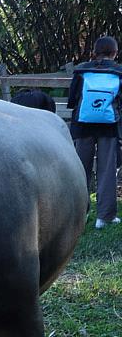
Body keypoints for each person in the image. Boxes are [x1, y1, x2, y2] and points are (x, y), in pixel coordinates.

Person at [67, 35, 122, 229]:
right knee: (107, 171)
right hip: (109, 127)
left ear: (94, 52)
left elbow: (72, 100)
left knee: (79, 170)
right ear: (114, 53)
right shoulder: (118, 72)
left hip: (82, 125)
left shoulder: (82, 70)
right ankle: (104, 217)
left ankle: (77, 215)